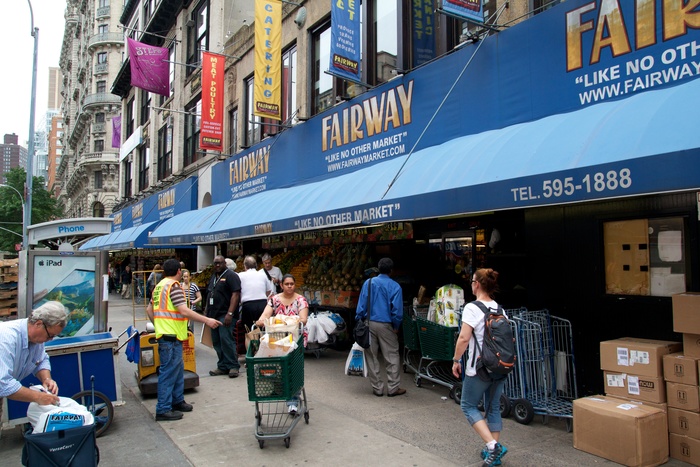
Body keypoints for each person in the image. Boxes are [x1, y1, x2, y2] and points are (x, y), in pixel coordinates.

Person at [146, 259, 220, 422]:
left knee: (177, 369)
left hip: (170, 335)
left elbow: (149, 310)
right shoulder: (174, 287)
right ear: (179, 272)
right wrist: (206, 320)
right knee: (168, 372)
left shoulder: (159, 287)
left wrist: (158, 325)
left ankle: (177, 401)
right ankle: (163, 409)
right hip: (170, 337)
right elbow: (184, 310)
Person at [451, 268, 508, 467]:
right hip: (500, 367)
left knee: (467, 405)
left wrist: (456, 360)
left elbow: (464, 338)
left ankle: (493, 447)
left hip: (479, 368)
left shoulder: (472, 308)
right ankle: (493, 452)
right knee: (492, 407)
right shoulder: (499, 309)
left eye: (472, 281)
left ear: (476, 284)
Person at [0, 301, 67, 422]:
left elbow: (41, 360)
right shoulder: (6, 339)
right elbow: (3, 384)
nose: (49, 339)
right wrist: (39, 397)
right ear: (38, 323)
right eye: (50, 335)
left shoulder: (36, 339)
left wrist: (47, 379)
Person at [255, 273, 309, 415]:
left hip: (295, 340)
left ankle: (293, 401)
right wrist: (260, 321)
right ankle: (278, 390)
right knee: (277, 368)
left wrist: (289, 321)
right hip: (277, 339)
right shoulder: (274, 300)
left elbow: (303, 319)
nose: (289, 286)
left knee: (293, 370)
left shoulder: (301, 300)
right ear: (281, 285)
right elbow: (265, 315)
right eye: (287, 284)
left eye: (292, 284)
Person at [355, 257, 405, 397]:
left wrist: (359, 320)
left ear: (378, 268)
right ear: (391, 270)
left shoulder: (369, 283)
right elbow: (397, 311)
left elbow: (361, 305)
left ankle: (377, 388)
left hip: (369, 323)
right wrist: (396, 326)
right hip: (387, 325)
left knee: (371, 356)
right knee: (392, 356)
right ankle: (393, 387)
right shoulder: (395, 286)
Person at [205, 255, 242, 378]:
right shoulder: (213, 277)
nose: (217, 265)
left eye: (220, 263)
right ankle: (222, 366)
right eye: (215, 263)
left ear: (224, 263)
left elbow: (235, 294)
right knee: (216, 341)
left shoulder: (231, 276)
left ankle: (233, 366)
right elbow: (210, 293)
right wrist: (206, 311)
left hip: (225, 314)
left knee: (226, 339)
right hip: (213, 315)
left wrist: (230, 313)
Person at [239, 256, 274, 330]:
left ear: (245, 266)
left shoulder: (240, 275)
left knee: (248, 329)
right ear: (256, 265)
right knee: (263, 328)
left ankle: (251, 341)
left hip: (248, 305)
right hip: (262, 304)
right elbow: (269, 291)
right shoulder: (263, 275)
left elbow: (237, 291)